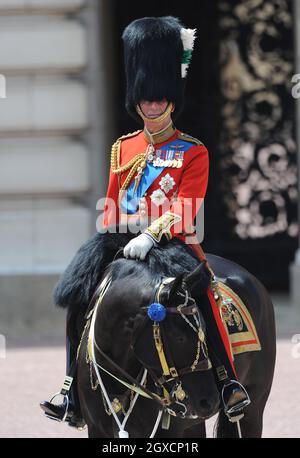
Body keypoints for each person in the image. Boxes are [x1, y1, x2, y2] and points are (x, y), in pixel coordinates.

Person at [40, 16, 249, 428]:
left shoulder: (193, 151)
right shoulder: (123, 148)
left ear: (172, 99)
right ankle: (70, 388)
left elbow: (187, 207)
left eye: (159, 99)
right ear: (136, 99)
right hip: (122, 238)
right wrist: (119, 230)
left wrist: (152, 234)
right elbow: (114, 201)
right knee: (78, 293)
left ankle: (226, 382)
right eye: (146, 99)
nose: (152, 105)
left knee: (202, 296)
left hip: (172, 243)